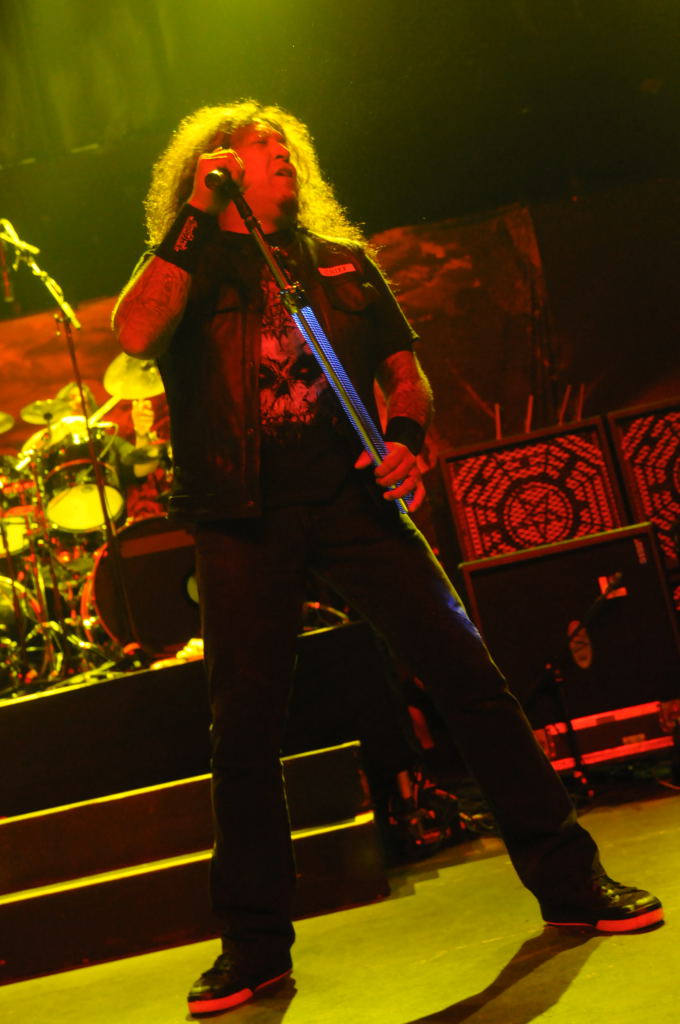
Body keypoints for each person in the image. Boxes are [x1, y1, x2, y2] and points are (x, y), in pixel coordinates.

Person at [113, 101, 663, 1017]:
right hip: (239, 517)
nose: (281, 157)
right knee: (243, 734)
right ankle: (253, 950)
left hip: (352, 500)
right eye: (259, 148)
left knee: (470, 678)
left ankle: (573, 884)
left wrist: (405, 437)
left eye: (287, 148)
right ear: (216, 166)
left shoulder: (339, 262)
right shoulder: (188, 263)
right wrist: (196, 214)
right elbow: (134, 334)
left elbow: (404, 370)